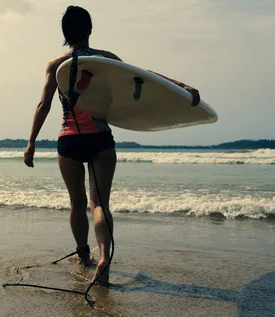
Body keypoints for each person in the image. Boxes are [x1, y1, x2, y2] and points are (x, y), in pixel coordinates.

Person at [23, 6, 201, 285]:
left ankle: (83, 255)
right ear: (90, 30)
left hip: (68, 139)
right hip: (100, 138)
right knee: (99, 204)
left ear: (64, 34)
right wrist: (181, 86)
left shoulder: (55, 65)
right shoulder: (106, 60)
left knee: (77, 203)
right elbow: (144, 76)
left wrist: (31, 143)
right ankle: (104, 255)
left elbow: (43, 104)